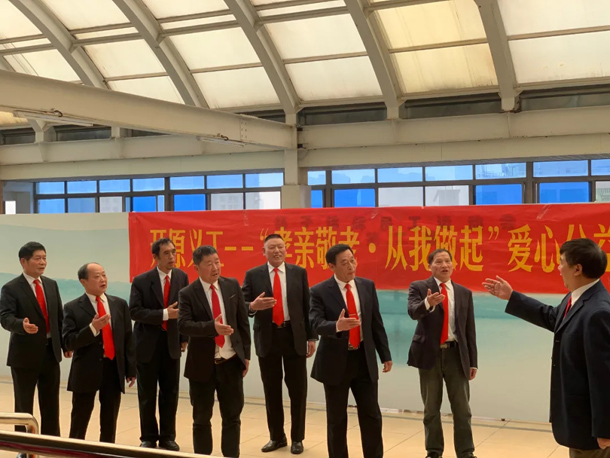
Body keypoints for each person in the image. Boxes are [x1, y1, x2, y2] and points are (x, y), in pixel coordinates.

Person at [483, 238, 610, 458]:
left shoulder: (598, 312)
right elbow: (553, 317)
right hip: (578, 423)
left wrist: (605, 429)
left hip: (591, 429)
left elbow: (604, 377)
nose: (558, 268)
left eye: (562, 262)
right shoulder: (577, 297)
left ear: (577, 269)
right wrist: (512, 297)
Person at [309, 243, 392, 458]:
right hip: (336, 361)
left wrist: (385, 354)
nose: (351, 266)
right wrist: (336, 326)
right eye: (344, 263)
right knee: (337, 419)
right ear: (331, 266)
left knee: (371, 415)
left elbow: (376, 323)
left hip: (363, 358)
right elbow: (315, 323)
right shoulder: (319, 291)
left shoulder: (366, 286)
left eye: (352, 260)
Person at [242, 233, 317, 455]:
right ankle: (277, 437)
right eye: (272, 247)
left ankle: (297, 438)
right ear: (263, 251)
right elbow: (242, 305)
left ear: (286, 249)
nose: (277, 251)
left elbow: (307, 306)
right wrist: (253, 306)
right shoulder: (253, 275)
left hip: (294, 336)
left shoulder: (298, 272)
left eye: (280, 247)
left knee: (298, 390)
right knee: (271, 390)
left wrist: (312, 337)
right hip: (268, 337)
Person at [178, 245, 251, 457]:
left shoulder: (231, 285)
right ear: (197, 268)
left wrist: (246, 355)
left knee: (232, 417)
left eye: (217, 262)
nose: (215, 267)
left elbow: (242, 322)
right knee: (201, 418)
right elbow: (183, 325)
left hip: (231, 361)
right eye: (209, 264)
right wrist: (212, 328)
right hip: (202, 365)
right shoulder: (187, 293)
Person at [407, 248, 478, 458]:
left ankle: (466, 452)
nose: (444, 265)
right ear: (430, 266)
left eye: (448, 261)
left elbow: (469, 329)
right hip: (430, 355)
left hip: (456, 355)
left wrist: (473, 361)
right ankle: (434, 451)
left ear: (453, 265)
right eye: (439, 261)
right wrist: (428, 303)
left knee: (462, 409)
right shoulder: (419, 287)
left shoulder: (464, 293)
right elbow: (413, 312)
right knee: (431, 408)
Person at [0, 241, 67, 447]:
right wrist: (21, 325)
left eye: (44, 258)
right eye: (37, 258)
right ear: (24, 261)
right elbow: (5, 318)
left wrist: (65, 345)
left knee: (51, 403)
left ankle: (51, 444)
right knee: (23, 405)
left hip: (50, 353)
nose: (42, 262)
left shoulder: (51, 285)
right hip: (24, 356)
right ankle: (24, 446)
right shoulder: (11, 288)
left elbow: (59, 318)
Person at [62, 262, 136, 443]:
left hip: (113, 367)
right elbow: (69, 342)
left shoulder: (119, 304)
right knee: (80, 418)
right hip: (86, 369)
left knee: (110, 419)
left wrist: (130, 369)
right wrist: (92, 328)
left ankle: (106, 450)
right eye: (97, 276)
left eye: (104, 275)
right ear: (83, 282)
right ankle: (75, 451)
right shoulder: (72, 307)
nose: (103, 279)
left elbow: (128, 338)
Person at [129, 238, 189, 450]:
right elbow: (135, 311)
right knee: (147, 395)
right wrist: (164, 314)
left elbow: (186, 309)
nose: (172, 257)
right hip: (147, 345)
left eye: (174, 252)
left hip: (171, 344)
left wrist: (184, 338)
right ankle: (148, 437)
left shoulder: (181, 277)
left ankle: (168, 437)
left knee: (170, 393)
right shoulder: (142, 281)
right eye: (166, 253)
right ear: (155, 257)